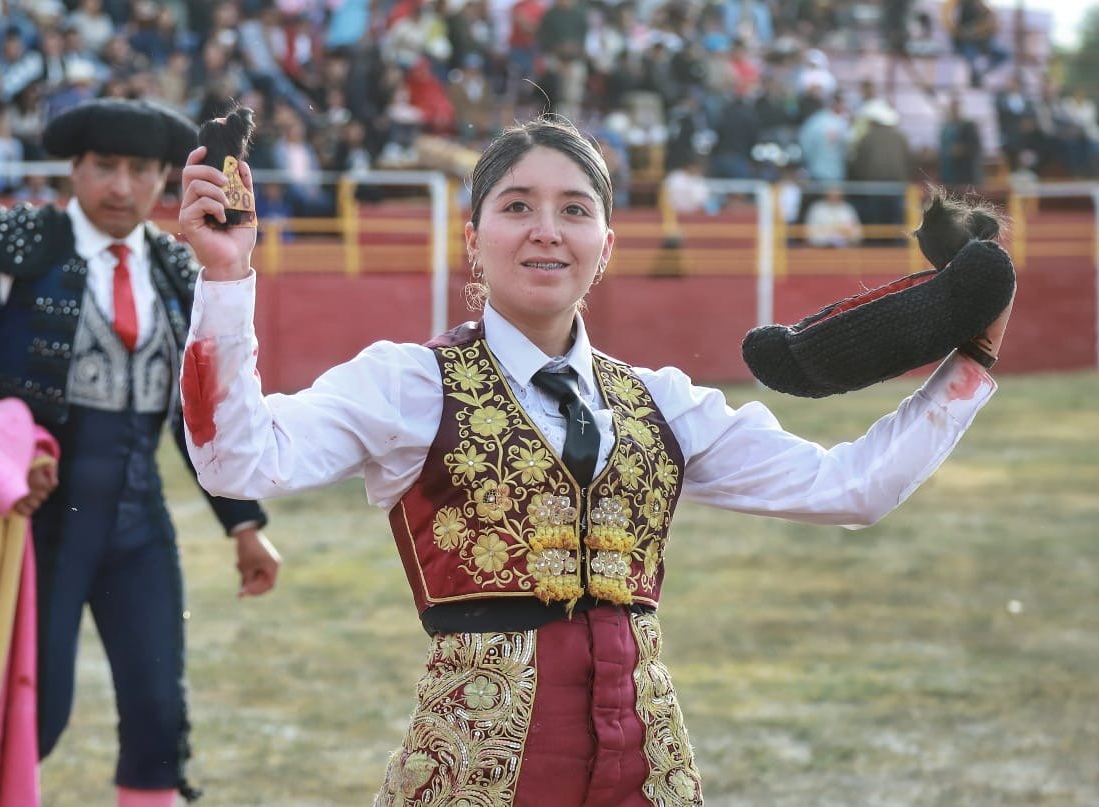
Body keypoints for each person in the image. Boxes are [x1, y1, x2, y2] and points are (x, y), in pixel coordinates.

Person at [175, 115, 1013, 804]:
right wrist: (226, 277)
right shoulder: (409, 384)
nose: (547, 229)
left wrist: (971, 362)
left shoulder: (664, 401)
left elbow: (852, 487)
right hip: (478, 775)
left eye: (574, 210)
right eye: (517, 206)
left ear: (606, 245)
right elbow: (237, 461)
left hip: (647, 769)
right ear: (474, 240)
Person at [0, 98, 281, 807]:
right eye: (105, 166)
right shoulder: (17, 248)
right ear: (74, 167)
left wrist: (244, 522)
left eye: (141, 170)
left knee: (159, 717)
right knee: (32, 714)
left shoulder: (175, 265)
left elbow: (190, 416)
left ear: (165, 178)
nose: (122, 187)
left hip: (139, 526)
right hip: (35, 527)